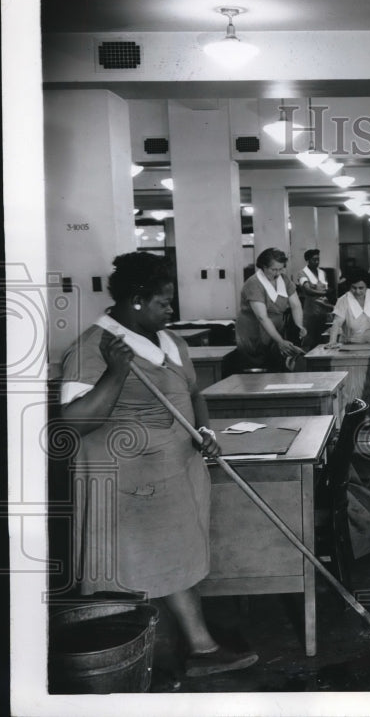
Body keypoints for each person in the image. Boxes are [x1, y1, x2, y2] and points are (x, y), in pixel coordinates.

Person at [59, 252, 258, 677]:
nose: (171, 309)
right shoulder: (94, 347)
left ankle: (186, 650)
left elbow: (193, 394)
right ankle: (153, 660)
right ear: (136, 301)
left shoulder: (170, 342)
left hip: (174, 473)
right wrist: (116, 372)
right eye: (163, 302)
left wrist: (204, 432)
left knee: (173, 563)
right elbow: (74, 422)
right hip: (130, 483)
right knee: (139, 568)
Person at [235, 247, 307, 372]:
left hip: (274, 331)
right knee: (259, 369)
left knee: (277, 366)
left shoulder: (284, 280)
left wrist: (299, 326)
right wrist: (280, 341)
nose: (278, 273)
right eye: (274, 269)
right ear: (264, 267)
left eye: (281, 269)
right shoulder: (254, 284)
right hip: (255, 332)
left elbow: (296, 305)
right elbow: (262, 317)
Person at [297, 249, 332, 350]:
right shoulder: (302, 273)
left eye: (318, 259)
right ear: (307, 260)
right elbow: (307, 290)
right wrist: (323, 293)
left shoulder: (322, 273)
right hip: (311, 308)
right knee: (310, 336)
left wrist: (325, 292)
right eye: (314, 259)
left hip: (324, 307)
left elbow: (326, 287)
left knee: (323, 335)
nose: (316, 262)